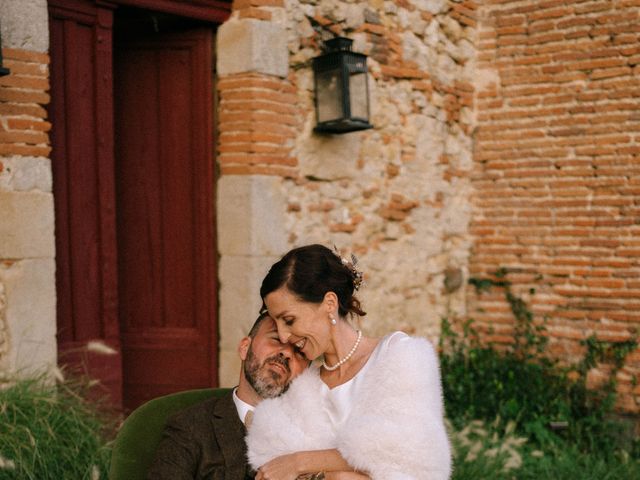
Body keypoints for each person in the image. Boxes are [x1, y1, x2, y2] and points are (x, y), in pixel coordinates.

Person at [246, 244, 452, 480]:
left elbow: (413, 453)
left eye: (289, 320)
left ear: (330, 304)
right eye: (276, 323)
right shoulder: (304, 385)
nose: (283, 336)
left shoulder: (400, 357)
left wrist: (299, 462)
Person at [147, 313, 309, 480]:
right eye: (277, 339)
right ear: (245, 348)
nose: (287, 353)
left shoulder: (319, 434)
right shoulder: (189, 426)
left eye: (300, 351)